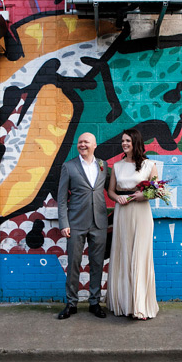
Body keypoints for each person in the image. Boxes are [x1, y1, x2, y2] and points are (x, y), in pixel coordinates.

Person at [106, 128, 160, 320]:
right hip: (122, 212)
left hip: (141, 213)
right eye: (122, 141)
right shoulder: (117, 166)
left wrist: (143, 195)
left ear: (135, 142)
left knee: (139, 255)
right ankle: (124, 304)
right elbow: (111, 191)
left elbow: (156, 191)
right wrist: (117, 199)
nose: (124, 144)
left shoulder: (149, 164)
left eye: (127, 140)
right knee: (123, 255)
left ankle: (140, 306)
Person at [57, 132, 109, 320]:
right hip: (76, 223)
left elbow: (110, 190)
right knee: (74, 265)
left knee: (97, 264)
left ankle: (94, 302)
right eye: (80, 142)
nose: (82, 145)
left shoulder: (103, 165)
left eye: (86, 142)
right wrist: (64, 223)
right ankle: (71, 303)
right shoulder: (69, 166)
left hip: (99, 222)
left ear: (94, 145)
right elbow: (62, 199)